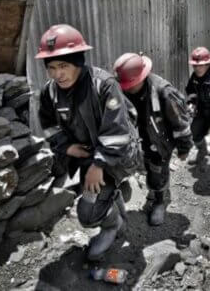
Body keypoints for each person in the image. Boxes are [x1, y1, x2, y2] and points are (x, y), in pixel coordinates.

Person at [36, 24, 140, 261]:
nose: (57, 74)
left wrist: (98, 165)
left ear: (79, 62)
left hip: (117, 156)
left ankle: (111, 226)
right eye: (51, 68)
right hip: (87, 158)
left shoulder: (103, 85)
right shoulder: (50, 93)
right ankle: (115, 215)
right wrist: (66, 147)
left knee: (87, 214)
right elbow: (49, 126)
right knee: (92, 205)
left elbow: (118, 131)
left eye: (63, 66)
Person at [113, 52, 192, 226]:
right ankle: (156, 188)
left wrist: (184, 148)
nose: (125, 88)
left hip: (160, 141)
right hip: (139, 137)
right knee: (146, 167)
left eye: (129, 84)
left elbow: (181, 124)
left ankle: (159, 201)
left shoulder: (164, 92)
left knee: (157, 170)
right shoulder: (123, 90)